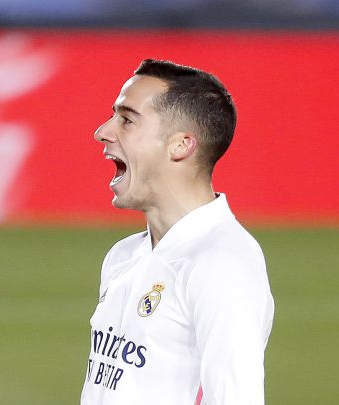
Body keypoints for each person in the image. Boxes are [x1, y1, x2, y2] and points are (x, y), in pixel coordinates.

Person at [81, 59, 274, 405]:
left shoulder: (222, 262)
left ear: (181, 145)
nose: (103, 132)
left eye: (126, 120)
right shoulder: (123, 257)